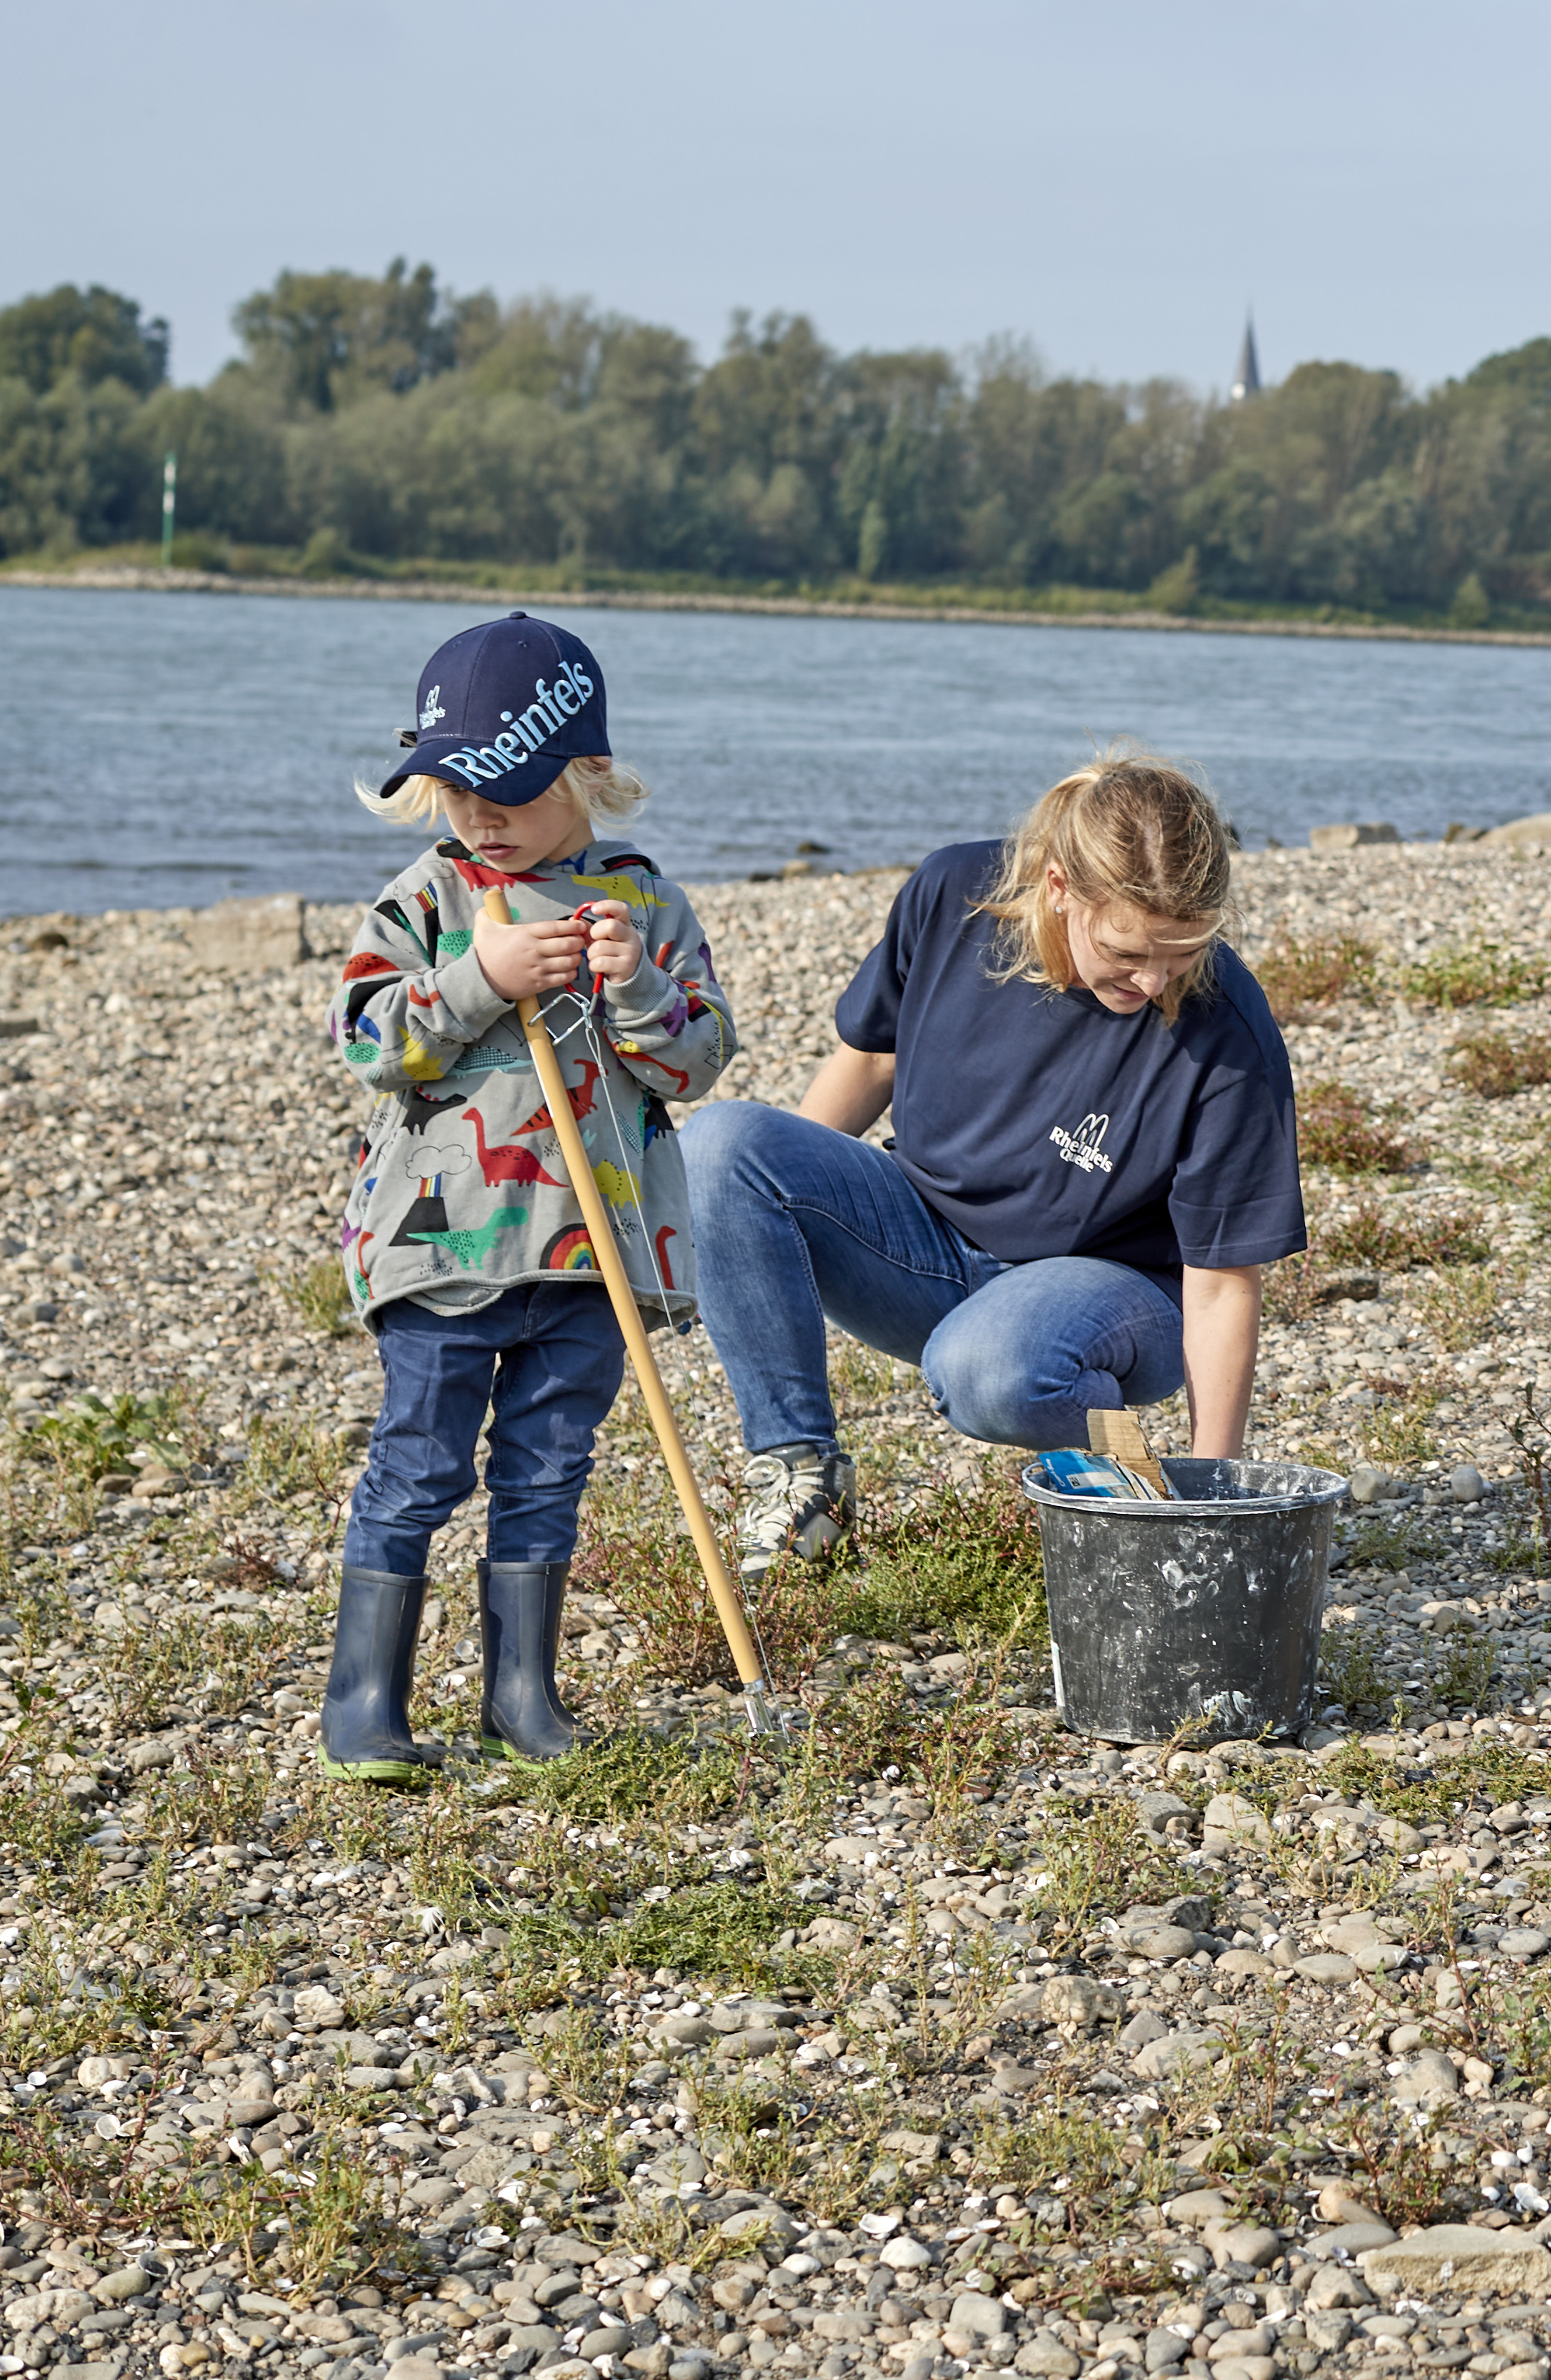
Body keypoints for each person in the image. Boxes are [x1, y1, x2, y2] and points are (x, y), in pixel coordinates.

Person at [679, 749, 1306, 1575]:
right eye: (1127, 952)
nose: (1155, 980)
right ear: (1058, 890)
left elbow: (1224, 1283)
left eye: (1182, 953)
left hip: (1114, 1296)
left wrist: (1213, 1489)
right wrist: (747, 1234)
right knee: (721, 1145)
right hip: (922, 1245)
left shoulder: (1229, 1031)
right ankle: (804, 1482)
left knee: (991, 1369)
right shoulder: (953, 893)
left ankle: (1135, 1485)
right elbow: (868, 1063)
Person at [322, 613, 740, 1781]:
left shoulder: (640, 905)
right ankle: (364, 1701)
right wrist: (475, 980)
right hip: (444, 1248)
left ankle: (522, 1692)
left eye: (504, 786)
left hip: (591, 1252)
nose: (477, 811)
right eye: (452, 786)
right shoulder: (430, 897)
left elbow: (696, 1061)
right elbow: (366, 1038)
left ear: (588, 768)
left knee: (550, 1465)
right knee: (420, 1463)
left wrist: (641, 989)